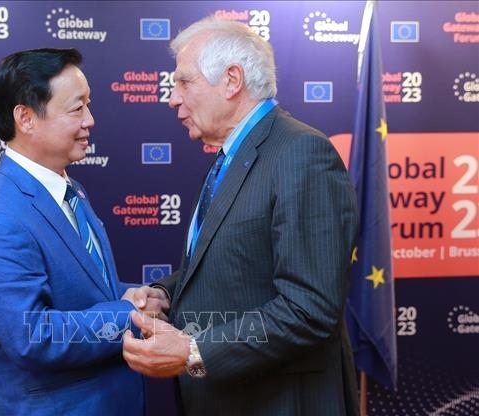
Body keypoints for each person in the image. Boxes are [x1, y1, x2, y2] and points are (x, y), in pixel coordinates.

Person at [122, 17, 360, 415]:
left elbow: (309, 308)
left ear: (232, 80)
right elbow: (233, 263)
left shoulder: (301, 155)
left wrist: (194, 351)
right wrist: (164, 293)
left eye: (184, 82)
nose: (172, 98)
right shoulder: (232, 158)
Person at [0, 48, 165, 416]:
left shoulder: (67, 188)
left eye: (89, 105)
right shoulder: (0, 218)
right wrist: (127, 314)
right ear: (25, 117)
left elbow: (83, 291)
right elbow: (33, 336)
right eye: (76, 109)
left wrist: (131, 295)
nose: (90, 120)